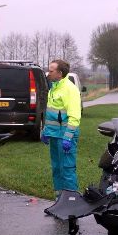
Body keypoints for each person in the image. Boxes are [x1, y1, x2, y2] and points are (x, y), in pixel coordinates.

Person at [41, 59, 81, 197]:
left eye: (51, 71)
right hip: (54, 135)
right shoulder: (54, 87)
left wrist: (68, 137)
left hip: (65, 136)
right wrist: (45, 131)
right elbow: (52, 113)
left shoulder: (70, 89)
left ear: (60, 73)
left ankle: (71, 201)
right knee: (57, 168)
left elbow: (74, 116)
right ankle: (59, 200)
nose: (48, 73)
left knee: (67, 169)